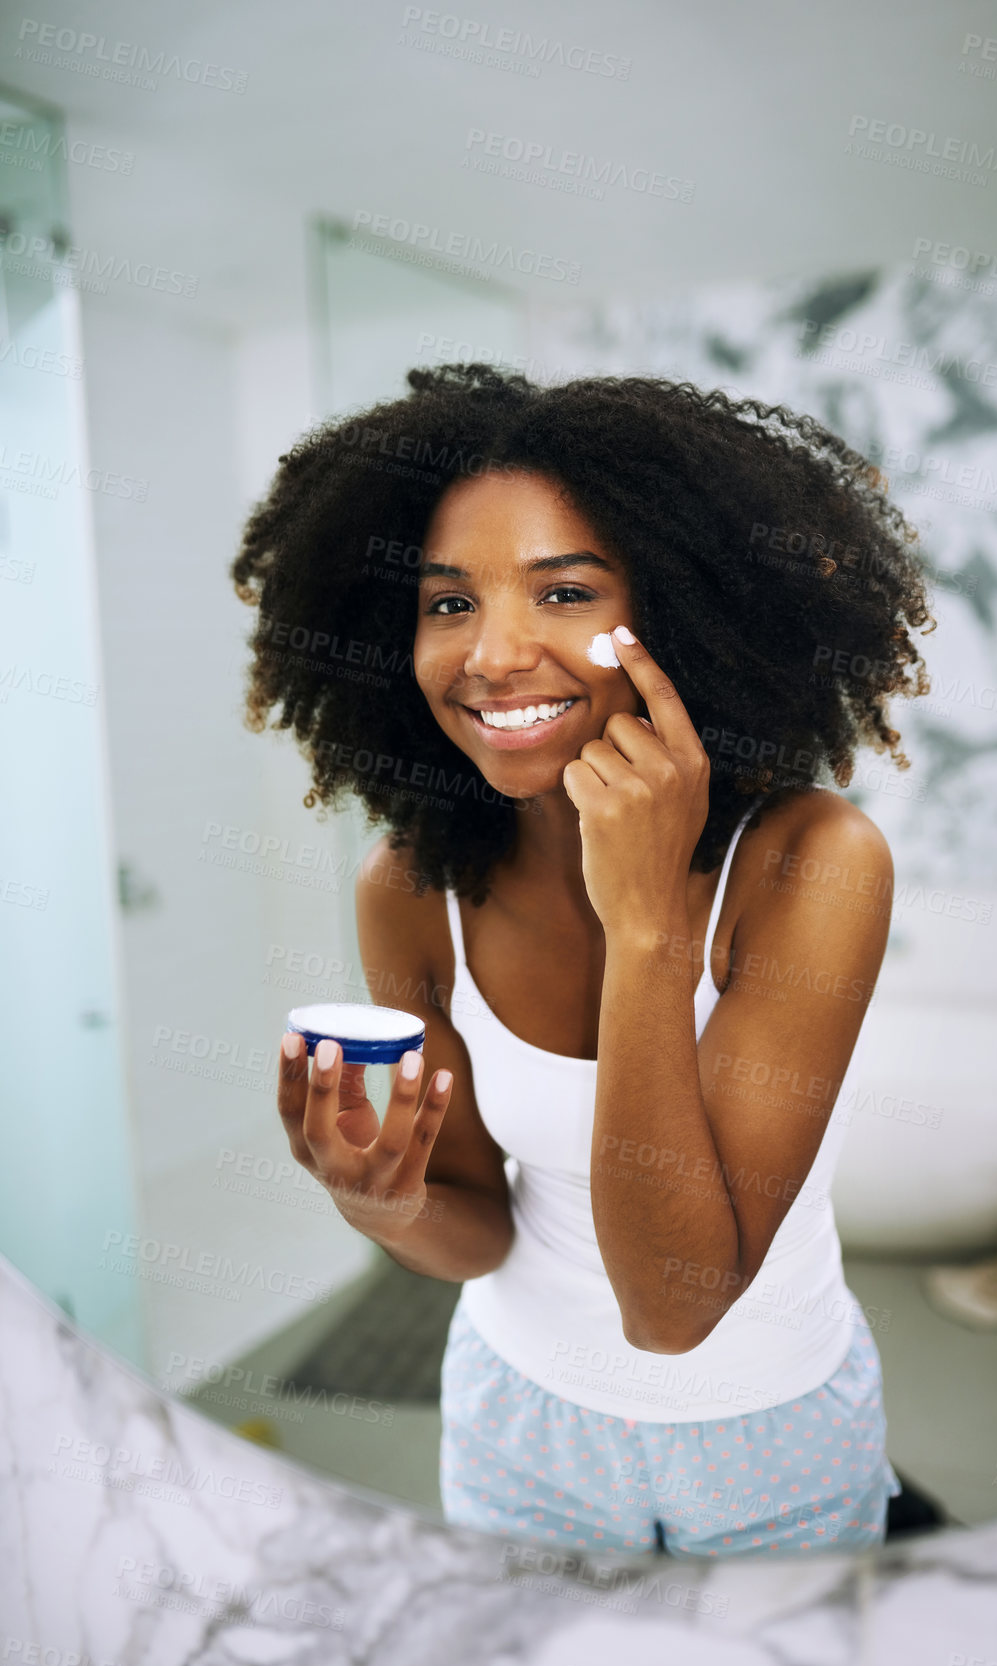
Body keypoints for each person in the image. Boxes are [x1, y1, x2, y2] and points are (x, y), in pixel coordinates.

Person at [232, 364, 934, 1557]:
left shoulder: (813, 861)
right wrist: (380, 1201)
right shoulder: (412, 888)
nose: (495, 653)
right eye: (449, 603)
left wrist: (647, 926)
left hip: (765, 1428)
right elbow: (482, 1234)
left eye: (563, 592)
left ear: (682, 615)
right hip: (520, 1420)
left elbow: (675, 1308)